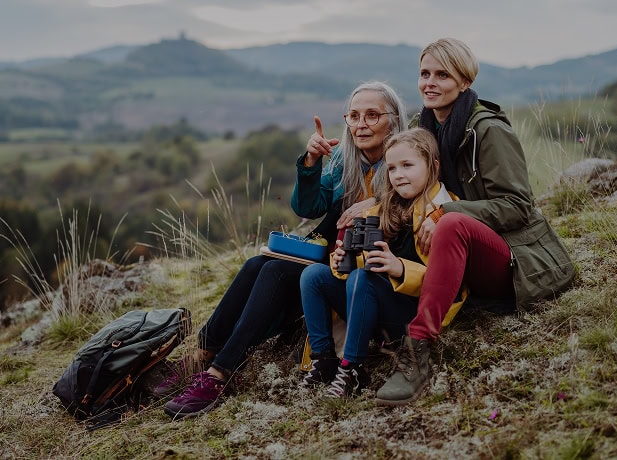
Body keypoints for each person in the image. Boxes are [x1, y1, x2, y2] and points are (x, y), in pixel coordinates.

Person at [160, 81, 407, 418]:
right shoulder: (346, 160)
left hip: (368, 273)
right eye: (353, 116)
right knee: (256, 264)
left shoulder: (403, 159)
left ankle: (219, 375)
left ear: (392, 120)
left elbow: (412, 202)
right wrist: (311, 161)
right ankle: (201, 356)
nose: (361, 124)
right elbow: (306, 207)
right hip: (334, 258)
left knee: (275, 271)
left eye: (372, 115)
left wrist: (376, 201)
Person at [374, 38, 575, 407]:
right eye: (424, 74)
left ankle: (418, 350)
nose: (429, 83)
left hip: (510, 257)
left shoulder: (488, 129)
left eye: (442, 75)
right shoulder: (426, 126)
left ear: (464, 82)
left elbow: (518, 205)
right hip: (453, 257)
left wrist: (450, 212)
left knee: (450, 224)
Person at [299, 128, 459, 397]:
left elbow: (448, 282)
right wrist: (342, 262)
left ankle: (352, 370)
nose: (398, 175)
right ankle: (324, 359)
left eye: (408, 165)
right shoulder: (380, 211)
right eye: (392, 168)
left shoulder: (445, 213)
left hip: (413, 317)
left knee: (364, 278)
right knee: (314, 275)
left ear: (433, 166)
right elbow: (362, 262)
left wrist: (400, 268)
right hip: (370, 306)